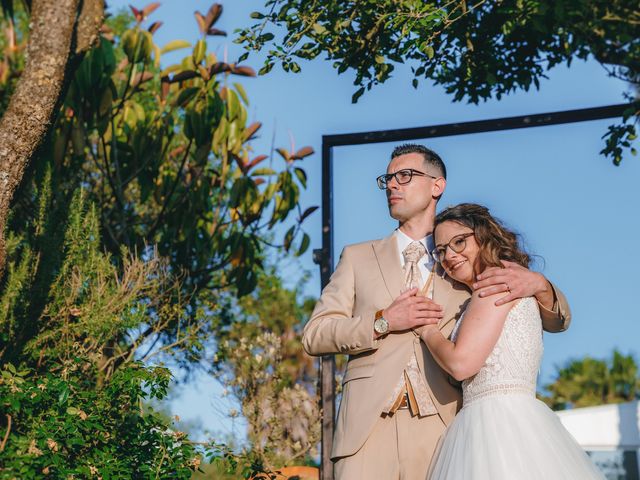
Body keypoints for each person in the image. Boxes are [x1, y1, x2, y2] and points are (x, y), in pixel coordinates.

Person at [302, 144, 571, 479]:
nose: (392, 185)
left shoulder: (466, 260)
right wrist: (382, 321)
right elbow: (315, 335)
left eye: (404, 176)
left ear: (437, 185)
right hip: (365, 431)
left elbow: (554, 320)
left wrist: (540, 284)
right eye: (387, 179)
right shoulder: (357, 257)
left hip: (442, 430)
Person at [423, 203, 603, 480]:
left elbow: (461, 364)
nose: (449, 255)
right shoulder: (513, 281)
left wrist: (427, 331)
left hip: (493, 426)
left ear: (483, 236)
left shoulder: (493, 286)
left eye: (459, 241)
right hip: (523, 422)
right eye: (441, 250)